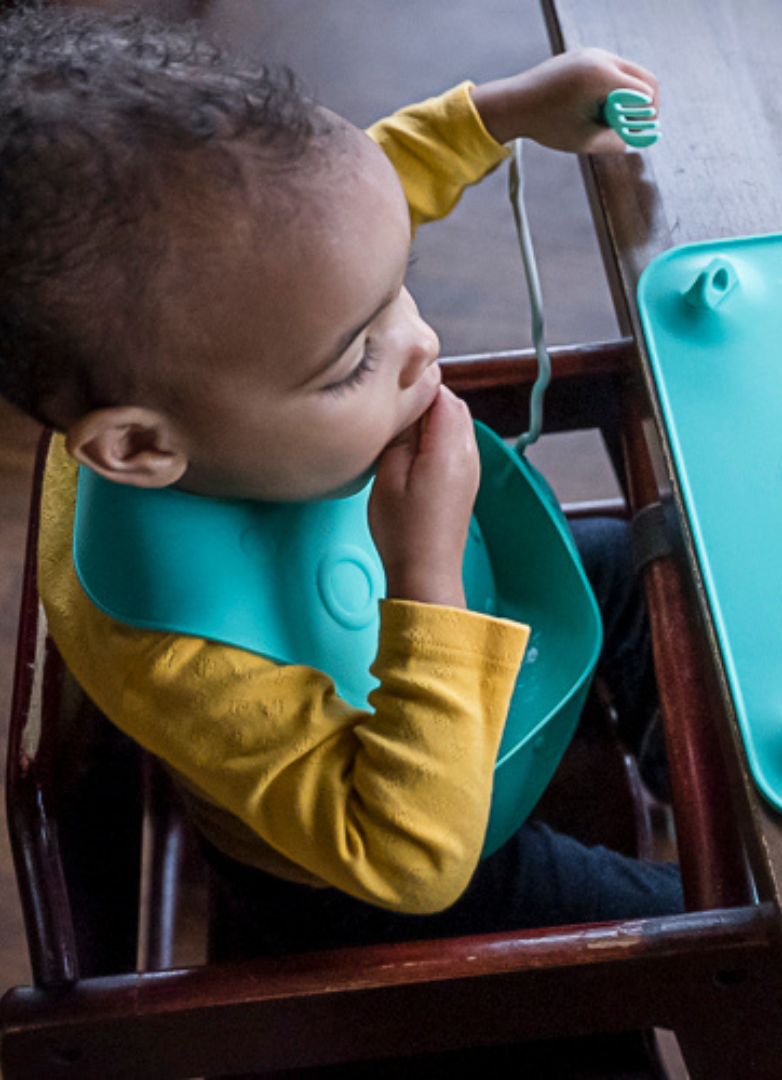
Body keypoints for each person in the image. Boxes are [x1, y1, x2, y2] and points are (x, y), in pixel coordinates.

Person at [0, 4, 679, 956]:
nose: (422, 342)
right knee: (688, 911)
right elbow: (413, 860)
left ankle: (713, 788)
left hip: (441, 669)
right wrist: (427, 578)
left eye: (399, 285)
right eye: (356, 355)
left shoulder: (204, 345)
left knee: (643, 563)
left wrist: (501, 113)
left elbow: (352, 202)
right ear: (140, 450)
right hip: (376, 865)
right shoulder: (184, 659)